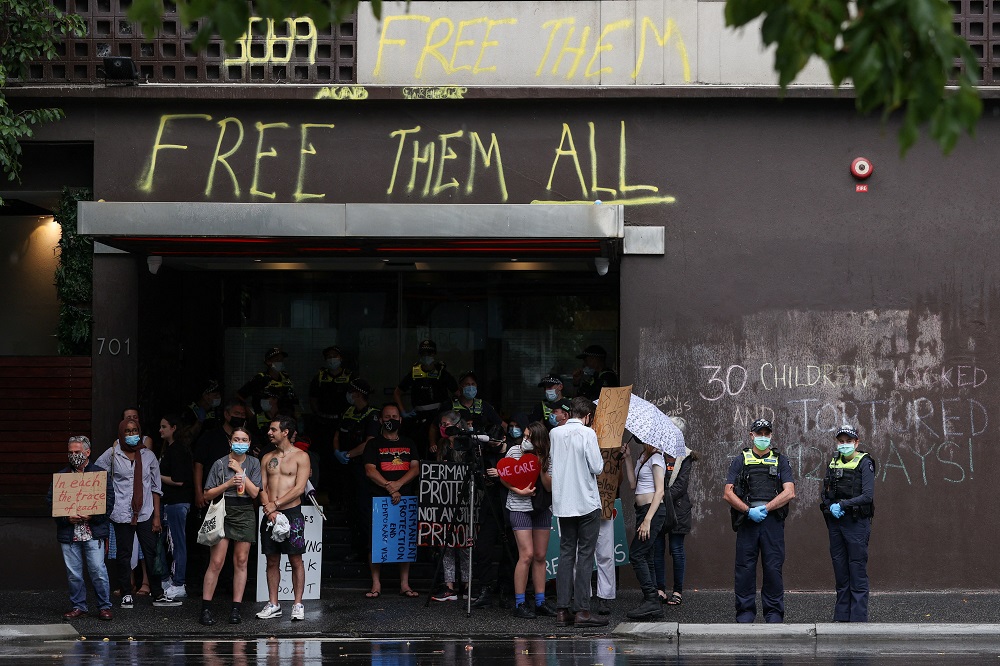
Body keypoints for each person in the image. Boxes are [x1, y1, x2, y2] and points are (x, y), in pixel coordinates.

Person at [94, 419, 181, 609]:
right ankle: (126, 593)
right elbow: (96, 474)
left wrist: (157, 516)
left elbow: (156, 488)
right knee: (124, 554)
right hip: (121, 512)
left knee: (151, 553)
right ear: (121, 433)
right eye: (128, 431)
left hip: (145, 512)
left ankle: (157, 593)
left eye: (135, 431)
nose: (132, 434)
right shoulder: (112, 454)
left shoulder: (148, 455)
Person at [723, 418, 796, 623]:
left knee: (773, 567)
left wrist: (765, 508)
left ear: (771, 435)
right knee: (745, 568)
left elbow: (789, 492)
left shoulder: (781, 460)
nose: (763, 437)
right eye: (759, 433)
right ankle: (745, 613)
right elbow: (728, 493)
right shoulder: (740, 460)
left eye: (766, 434)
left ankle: (773, 614)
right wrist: (748, 511)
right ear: (751, 435)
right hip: (747, 521)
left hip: (771, 521)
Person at [549, 397, 607, 627]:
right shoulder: (588, 434)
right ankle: (583, 610)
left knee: (566, 554)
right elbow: (597, 467)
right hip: (586, 502)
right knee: (585, 555)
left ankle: (562, 610)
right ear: (588, 416)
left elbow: (553, 466)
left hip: (564, 502)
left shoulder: (555, 433)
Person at [198, 425, 262, 626]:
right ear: (230, 442)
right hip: (223, 510)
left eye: (244, 440)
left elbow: (254, 493)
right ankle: (206, 609)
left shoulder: (254, 463)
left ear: (249, 443)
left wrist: (240, 472)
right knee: (216, 562)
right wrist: (227, 484)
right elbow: (207, 494)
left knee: (241, 561)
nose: (240, 443)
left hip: (244, 512)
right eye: (236, 439)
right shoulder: (219, 464)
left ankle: (236, 609)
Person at [48, 436, 113, 621]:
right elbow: (51, 503)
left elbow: (109, 502)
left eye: (77, 452)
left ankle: (104, 606)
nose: (73, 455)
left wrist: (93, 516)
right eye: (70, 452)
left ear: (87, 452)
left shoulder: (100, 475)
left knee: (98, 571)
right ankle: (79, 606)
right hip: (70, 533)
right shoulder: (62, 477)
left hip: (93, 532)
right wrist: (66, 517)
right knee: (73, 573)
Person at [363, 403, 420, 599]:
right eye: (387, 417)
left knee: (404, 540)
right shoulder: (373, 444)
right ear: (381, 420)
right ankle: (376, 583)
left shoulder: (409, 442)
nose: (391, 420)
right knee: (376, 542)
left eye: (395, 416)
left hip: (405, 499)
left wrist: (398, 486)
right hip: (379, 500)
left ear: (400, 419)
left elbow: (415, 468)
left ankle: (404, 584)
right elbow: (370, 470)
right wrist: (389, 486)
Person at [257, 415, 311, 621]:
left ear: (285, 432)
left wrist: (276, 505)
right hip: (270, 514)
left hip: (291, 513)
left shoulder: (301, 456)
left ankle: (297, 604)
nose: (269, 433)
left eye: (273, 430)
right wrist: (269, 509)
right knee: (272, 559)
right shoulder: (266, 457)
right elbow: (262, 486)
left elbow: (299, 488)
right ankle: (273, 603)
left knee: (296, 559)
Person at [500, 421, 555, 619]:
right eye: (524, 435)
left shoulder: (549, 454)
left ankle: (540, 601)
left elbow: (549, 487)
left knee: (540, 555)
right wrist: (519, 490)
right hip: (519, 507)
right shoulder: (514, 451)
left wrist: (540, 464)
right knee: (527, 554)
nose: (525, 440)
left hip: (541, 508)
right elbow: (503, 476)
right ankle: (520, 602)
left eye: (529, 437)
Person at [821, 425, 875, 623]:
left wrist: (843, 504)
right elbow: (826, 493)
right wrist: (830, 506)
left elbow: (867, 496)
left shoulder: (864, 463)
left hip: (856, 523)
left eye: (848, 441)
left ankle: (858, 619)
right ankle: (841, 618)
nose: (844, 445)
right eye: (841, 441)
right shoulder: (833, 463)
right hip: (837, 523)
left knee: (857, 569)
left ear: (857, 443)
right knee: (840, 570)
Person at [332, 378, 381, 561]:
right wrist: (337, 452)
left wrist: (349, 454)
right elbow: (337, 434)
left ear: (358, 393)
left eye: (351, 392)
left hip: (363, 467)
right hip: (346, 467)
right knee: (350, 508)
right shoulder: (347, 412)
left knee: (364, 508)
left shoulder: (372, 414)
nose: (349, 395)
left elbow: (369, 442)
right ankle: (355, 548)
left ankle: (368, 549)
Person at [622, 438, 670, 620]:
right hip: (642, 510)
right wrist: (627, 458)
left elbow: (660, 491)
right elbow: (633, 484)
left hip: (653, 512)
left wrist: (648, 520)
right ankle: (652, 600)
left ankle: (651, 598)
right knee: (646, 554)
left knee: (637, 554)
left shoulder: (657, 457)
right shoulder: (643, 457)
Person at [654, 420, 697, 607]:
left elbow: (681, 484)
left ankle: (677, 591)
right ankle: (660, 589)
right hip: (658, 506)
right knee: (657, 549)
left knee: (677, 549)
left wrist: (660, 495)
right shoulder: (657, 453)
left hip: (677, 508)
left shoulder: (685, 455)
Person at [393, 339, 457, 458]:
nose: (426, 357)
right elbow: (397, 392)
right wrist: (403, 412)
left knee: (438, 449)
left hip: (438, 417)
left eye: (429, 354)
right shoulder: (414, 372)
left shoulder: (441, 372)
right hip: (419, 418)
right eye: (423, 354)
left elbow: (457, 392)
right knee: (419, 449)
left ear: (434, 355)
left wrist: (450, 412)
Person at [308, 345, 353, 498]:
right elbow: (312, 398)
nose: (332, 359)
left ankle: (342, 495)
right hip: (323, 423)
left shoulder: (349, 376)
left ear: (341, 358)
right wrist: (318, 414)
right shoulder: (320, 377)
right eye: (329, 356)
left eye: (335, 355)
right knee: (323, 459)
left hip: (342, 422)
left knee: (341, 459)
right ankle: (324, 493)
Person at [158, 413, 193, 599]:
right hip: (170, 502)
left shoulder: (178, 449)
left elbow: (179, 481)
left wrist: (155, 475)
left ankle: (179, 582)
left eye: (164, 426)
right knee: (168, 542)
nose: (160, 430)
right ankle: (168, 580)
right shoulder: (170, 449)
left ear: (173, 428)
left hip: (177, 502)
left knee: (177, 543)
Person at [237, 347, 297, 432]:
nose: (280, 362)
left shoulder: (286, 378)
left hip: (284, 420)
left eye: (281, 360)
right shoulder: (260, 378)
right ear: (268, 362)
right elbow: (240, 395)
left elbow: (292, 398)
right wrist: (249, 414)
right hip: (264, 422)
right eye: (277, 360)